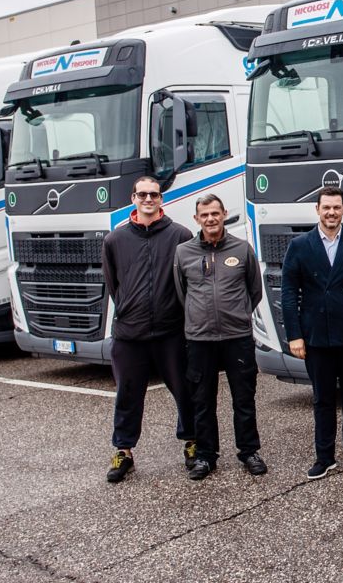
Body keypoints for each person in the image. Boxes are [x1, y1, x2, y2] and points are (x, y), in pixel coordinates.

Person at [280, 186, 343, 480]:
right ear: (317, 210)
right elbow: (289, 293)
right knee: (322, 399)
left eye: (337, 207)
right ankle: (324, 457)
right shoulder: (299, 245)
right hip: (316, 336)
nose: (331, 212)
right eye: (326, 207)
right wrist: (294, 335)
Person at [102, 176, 195, 483]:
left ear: (161, 199)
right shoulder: (115, 240)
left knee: (185, 389)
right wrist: (129, 309)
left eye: (153, 194)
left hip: (171, 331)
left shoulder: (180, 235)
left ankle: (192, 442)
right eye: (142, 194)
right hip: (130, 333)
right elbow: (113, 284)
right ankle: (124, 451)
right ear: (133, 198)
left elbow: (187, 282)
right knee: (127, 394)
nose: (148, 199)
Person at [174, 194, 267, 480]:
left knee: (244, 398)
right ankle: (205, 456)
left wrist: (237, 314)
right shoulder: (183, 253)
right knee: (202, 401)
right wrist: (199, 317)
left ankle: (249, 451)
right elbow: (181, 293)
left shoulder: (242, 249)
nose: (210, 219)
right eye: (204, 215)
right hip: (200, 339)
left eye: (215, 213)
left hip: (237, 336)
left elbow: (254, 290)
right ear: (196, 219)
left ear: (224, 214)